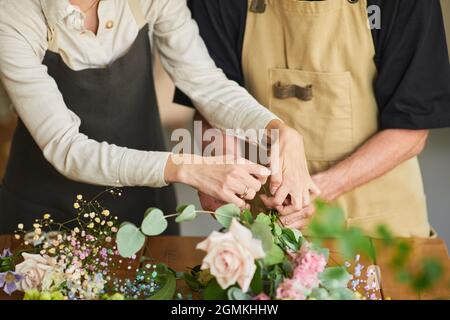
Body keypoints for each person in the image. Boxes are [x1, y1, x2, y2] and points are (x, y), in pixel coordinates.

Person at [0, 0, 317, 233]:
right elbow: (67, 148)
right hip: (45, 209)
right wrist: (188, 168)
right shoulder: (12, 15)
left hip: (145, 204)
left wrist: (277, 130)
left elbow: (205, 83)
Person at [176, 0, 450, 237]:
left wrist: (318, 191)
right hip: (266, 223)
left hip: (378, 222)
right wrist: (221, 162)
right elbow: (209, 99)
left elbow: (411, 130)